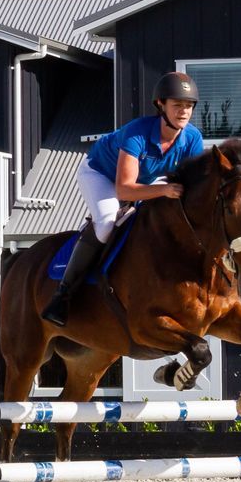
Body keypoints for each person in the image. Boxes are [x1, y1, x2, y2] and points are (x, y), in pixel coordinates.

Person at [41, 71, 206, 325]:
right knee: (108, 220)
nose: (183, 111)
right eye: (177, 105)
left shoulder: (192, 138)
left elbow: (191, 184)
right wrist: (163, 191)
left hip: (148, 179)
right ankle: (63, 295)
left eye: (188, 106)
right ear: (160, 105)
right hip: (101, 175)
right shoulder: (136, 134)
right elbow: (125, 191)